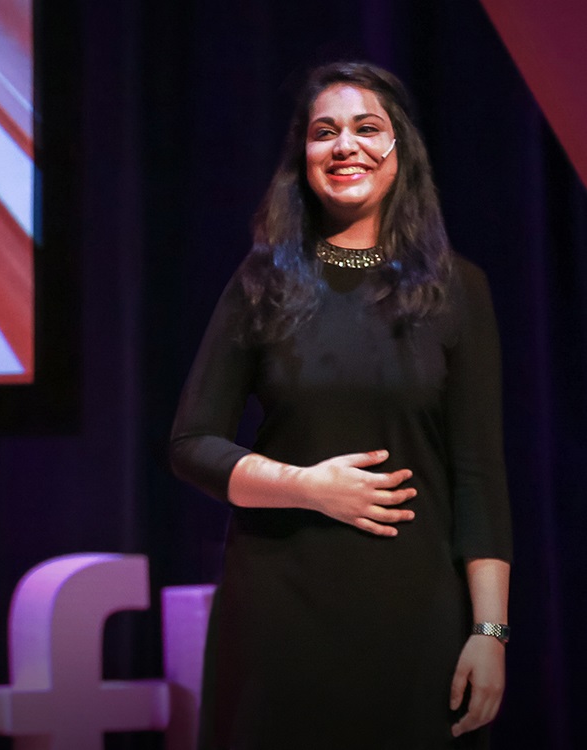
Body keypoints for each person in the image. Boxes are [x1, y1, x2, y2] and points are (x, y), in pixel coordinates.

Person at [170, 61, 512, 749]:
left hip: (415, 618)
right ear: (305, 157)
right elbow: (190, 444)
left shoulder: (457, 288)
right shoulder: (264, 281)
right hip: (279, 612)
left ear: (400, 150)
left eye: (367, 129)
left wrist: (489, 632)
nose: (344, 145)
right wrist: (306, 487)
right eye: (325, 132)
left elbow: (479, 476)